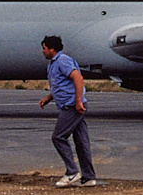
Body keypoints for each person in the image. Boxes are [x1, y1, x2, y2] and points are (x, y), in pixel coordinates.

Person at [39, 35, 98, 187]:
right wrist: (48, 98)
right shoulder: (52, 64)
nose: (42, 51)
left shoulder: (63, 61)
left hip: (71, 106)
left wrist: (78, 101)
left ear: (52, 49)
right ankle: (89, 177)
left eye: (44, 48)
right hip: (69, 104)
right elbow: (60, 84)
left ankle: (72, 172)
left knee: (58, 137)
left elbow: (77, 78)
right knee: (81, 141)